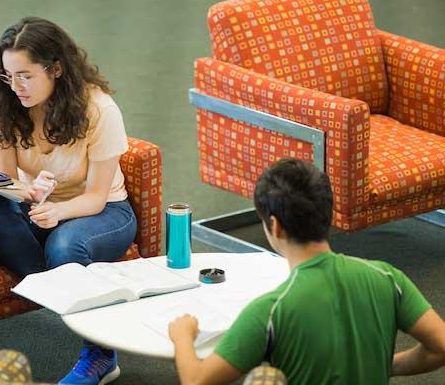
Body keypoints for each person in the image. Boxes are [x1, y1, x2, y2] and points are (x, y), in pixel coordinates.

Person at [168, 158, 445, 384]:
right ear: (328, 213)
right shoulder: (387, 277)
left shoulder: (270, 311)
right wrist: (388, 365)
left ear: (274, 226)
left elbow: (197, 380)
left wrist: (183, 336)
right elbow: (441, 346)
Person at [0, 17, 136, 385]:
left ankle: (99, 356)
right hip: (38, 207)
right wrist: (27, 193)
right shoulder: (4, 105)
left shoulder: (99, 109)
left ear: (56, 69)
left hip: (104, 211)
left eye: (26, 76)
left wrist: (57, 210)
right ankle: (58, 289)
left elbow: (96, 197)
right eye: (7, 75)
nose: (16, 87)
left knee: (66, 244)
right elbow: (7, 182)